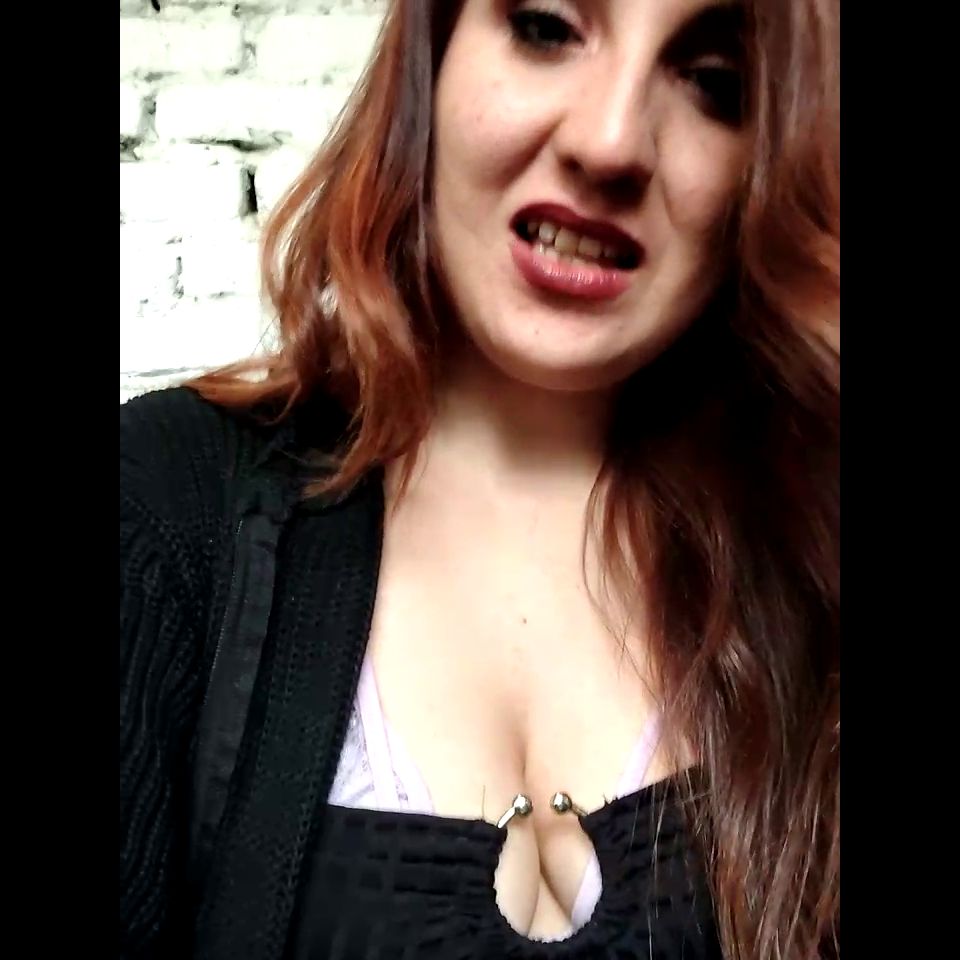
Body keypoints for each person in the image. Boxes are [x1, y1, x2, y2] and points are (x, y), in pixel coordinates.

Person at [120, 0, 840, 957]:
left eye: (714, 84)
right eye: (547, 27)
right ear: (433, 53)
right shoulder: (164, 513)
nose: (611, 141)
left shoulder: (809, 558)